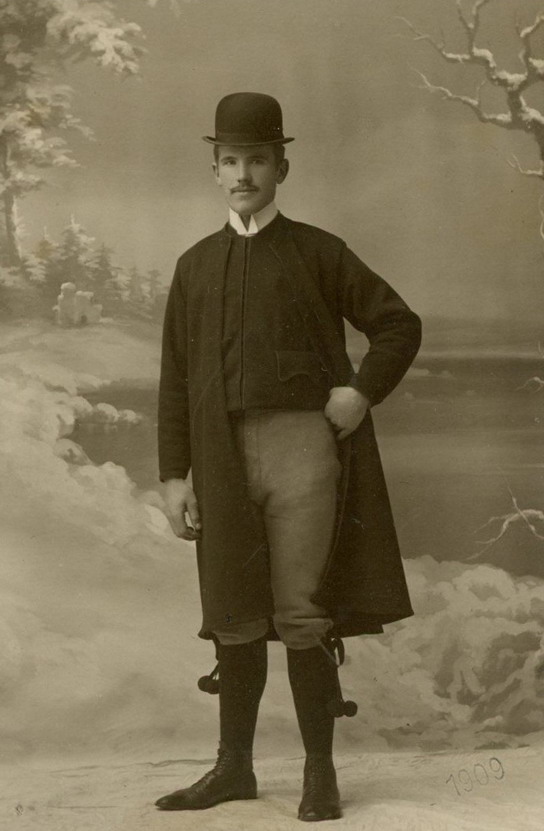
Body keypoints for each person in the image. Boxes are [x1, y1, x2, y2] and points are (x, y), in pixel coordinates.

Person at [155, 92, 421, 822]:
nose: (243, 174)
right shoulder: (194, 266)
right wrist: (174, 476)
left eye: (257, 160)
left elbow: (398, 325)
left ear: (282, 167)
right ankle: (233, 769)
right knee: (234, 614)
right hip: (219, 459)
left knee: (302, 612)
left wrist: (360, 391)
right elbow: (175, 379)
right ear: (215, 170)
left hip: (303, 452)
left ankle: (319, 772)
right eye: (230, 161)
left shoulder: (319, 252)